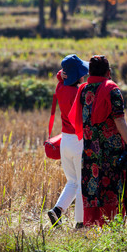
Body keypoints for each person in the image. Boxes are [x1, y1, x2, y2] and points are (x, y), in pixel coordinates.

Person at [69, 55, 127, 227]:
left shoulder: (84, 90)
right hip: (111, 152)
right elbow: (119, 120)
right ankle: (113, 227)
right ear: (108, 72)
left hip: (90, 151)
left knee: (93, 188)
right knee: (112, 190)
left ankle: (93, 227)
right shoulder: (112, 90)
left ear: (90, 71)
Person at [47, 54, 89, 228]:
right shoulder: (79, 92)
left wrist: (61, 75)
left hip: (65, 141)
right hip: (79, 141)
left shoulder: (60, 88)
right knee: (81, 183)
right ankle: (80, 223)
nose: (84, 75)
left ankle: (57, 210)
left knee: (72, 181)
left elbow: (60, 79)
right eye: (81, 73)